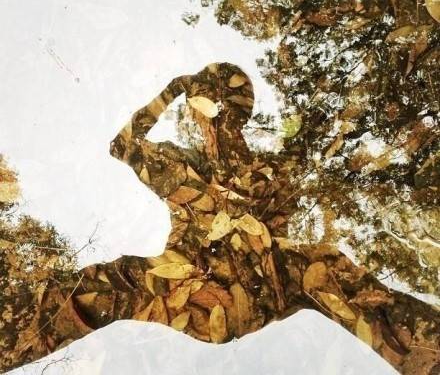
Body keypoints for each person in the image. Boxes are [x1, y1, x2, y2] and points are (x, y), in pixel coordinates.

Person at [13, 64, 440, 373]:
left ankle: (425, 350)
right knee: (102, 284)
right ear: (197, 111)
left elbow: (322, 146)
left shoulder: (268, 171)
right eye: (210, 100)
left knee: (327, 265)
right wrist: (172, 90)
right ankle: (15, 337)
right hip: (191, 289)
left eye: (229, 103)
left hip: (264, 287)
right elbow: (122, 145)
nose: (219, 114)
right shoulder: (183, 168)